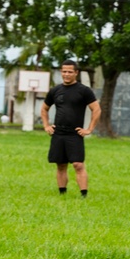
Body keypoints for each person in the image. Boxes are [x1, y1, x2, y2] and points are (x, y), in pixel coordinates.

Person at [40, 60, 101, 197]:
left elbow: (96, 109)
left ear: (76, 73)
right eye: (64, 71)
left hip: (75, 134)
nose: (66, 74)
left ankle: (84, 195)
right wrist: (46, 126)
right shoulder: (55, 91)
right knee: (61, 165)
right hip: (58, 133)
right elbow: (44, 109)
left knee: (78, 165)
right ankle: (62, 194)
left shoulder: (84, 91)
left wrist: (89, 129)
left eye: (69, 72)